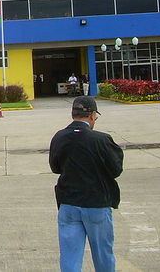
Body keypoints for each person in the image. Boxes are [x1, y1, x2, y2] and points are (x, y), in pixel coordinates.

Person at [49, 96, 124, 272]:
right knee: (103, 255)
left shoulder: (59, 137)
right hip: (96, 203)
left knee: (70, 256)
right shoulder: (102, 140)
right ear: (91, 116)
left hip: (68, 204)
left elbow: (55, 167)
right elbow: (116, 170)